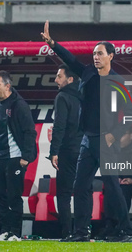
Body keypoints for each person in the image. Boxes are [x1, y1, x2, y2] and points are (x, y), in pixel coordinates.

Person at [41, 20, 132, 242]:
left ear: (111, 56)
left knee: (112, 186)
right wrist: (52, 43)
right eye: (94, 53)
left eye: (100, 53)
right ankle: (82, 232)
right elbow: (70, 59)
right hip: (87, 140)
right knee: (80, 186)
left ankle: (126, 231)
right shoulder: (88, 73)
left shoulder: (118, 81)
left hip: (106, 141)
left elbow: (131, 112)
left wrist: (115, 133)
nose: (95, 57)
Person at [0, 70, 37, 241]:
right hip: (1, 157)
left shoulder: (18, 105)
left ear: (7, 86)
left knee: (13, 196)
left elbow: (30, 132)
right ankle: (5, 229)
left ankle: (15, 232)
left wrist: (26, 157)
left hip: (16, 157)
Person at [48, 64, 83, 241]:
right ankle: (84, 231)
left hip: (68, 150)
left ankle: (67, 232)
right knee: (83, 190)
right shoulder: (85, 95)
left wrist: (54, 151)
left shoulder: (63, 96)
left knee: (63, 193)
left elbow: (59, 126)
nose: (56, 80)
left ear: (70, 79)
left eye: (59, 76)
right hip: (84, 150)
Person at [95, 127, 132, 240]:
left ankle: (121, 227)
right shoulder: (115, 148)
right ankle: (110, 225)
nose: (119, 139)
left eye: (123, 135)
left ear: (131, 135)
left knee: (123, 191)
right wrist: (117, 178)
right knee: (110, 190)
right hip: (119, 181)